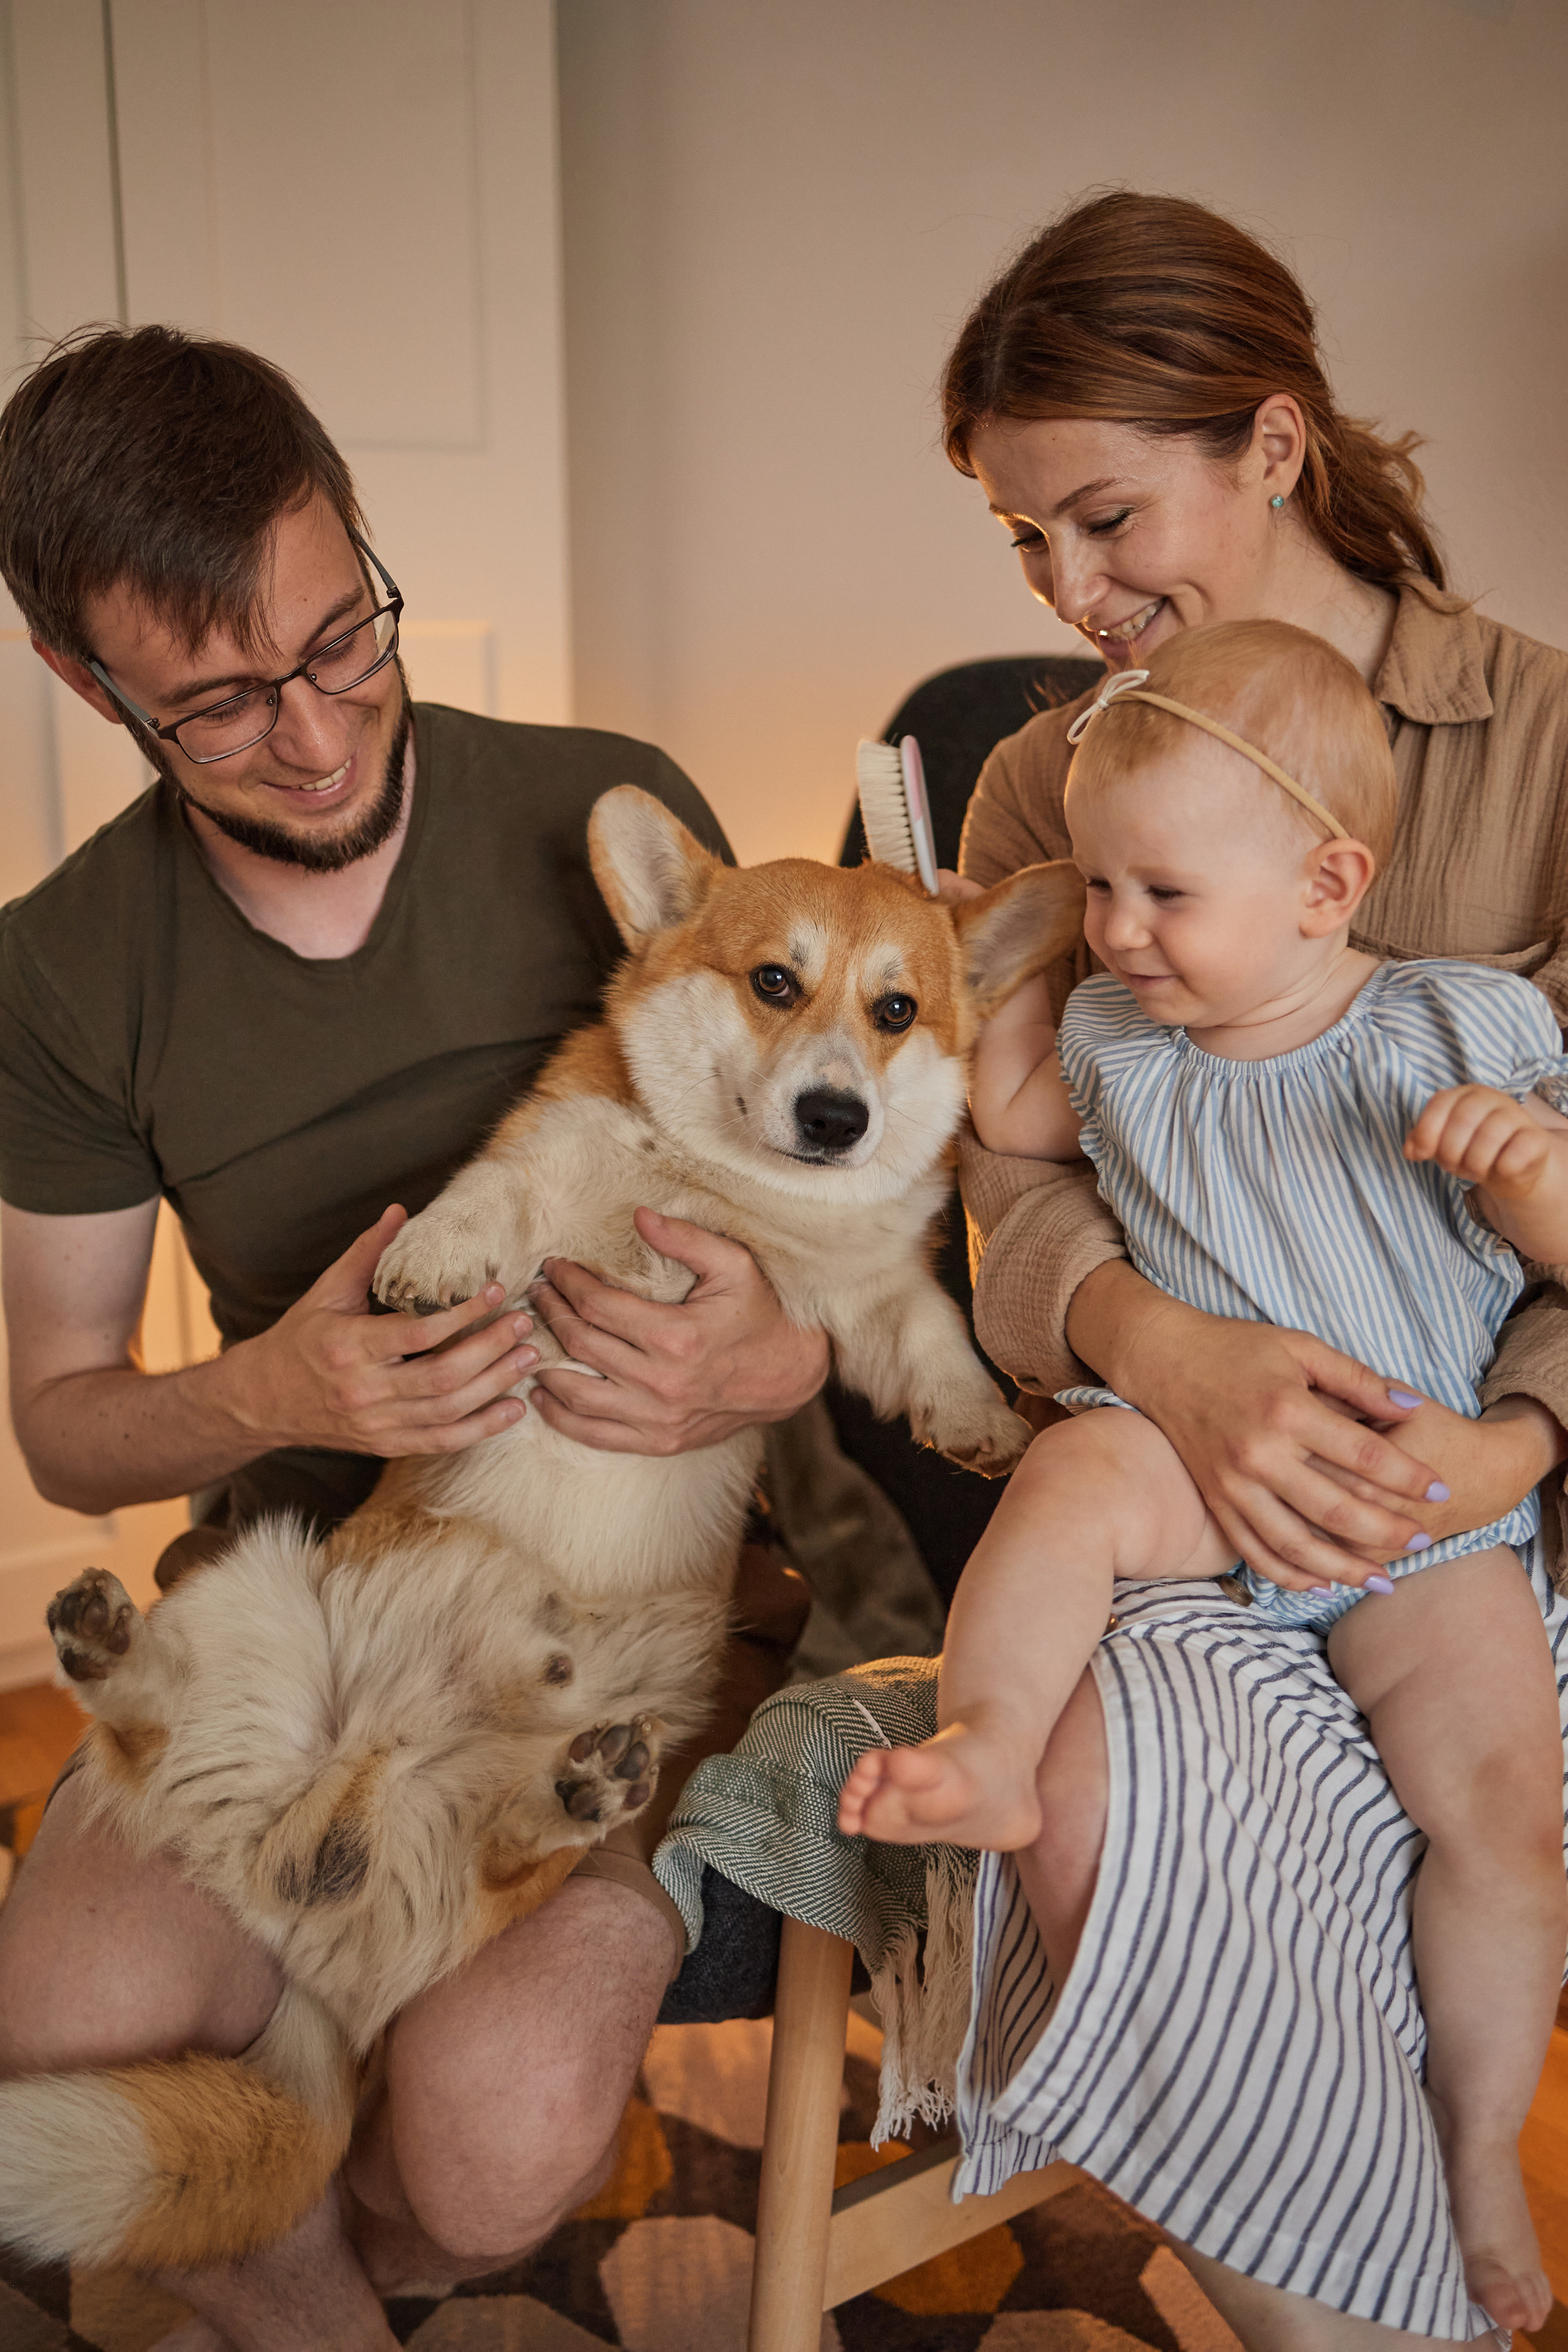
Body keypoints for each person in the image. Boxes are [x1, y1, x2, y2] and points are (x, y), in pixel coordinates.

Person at [0, 325, 826, 2352]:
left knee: (488, 2148)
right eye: (215, 704)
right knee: (57, 2038)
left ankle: (314, 2241)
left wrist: (767, 1368)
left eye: (339, 637)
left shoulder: (598, 820)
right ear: (86, 687)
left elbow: (843, 1227)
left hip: (627, 1631)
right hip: (326, 1599)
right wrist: (270, 1389)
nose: (311, 732)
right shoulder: (61, 970)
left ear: (361, 545)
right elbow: (70, 1430)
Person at [944, 192, 1568, 2344]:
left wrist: (1517, 1441)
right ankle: (1357, 2309)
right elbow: (1015, 1176)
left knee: (1481, 1796)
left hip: (1473, 1481)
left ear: (1276, 447)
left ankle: (1455, 2166)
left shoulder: (1544, 741)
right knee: (1119, 1784)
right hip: (1182, 1465)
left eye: (1105, 519)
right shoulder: (1051, 778)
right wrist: (1158, 1350)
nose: (1073, 592)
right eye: (1028, 545)